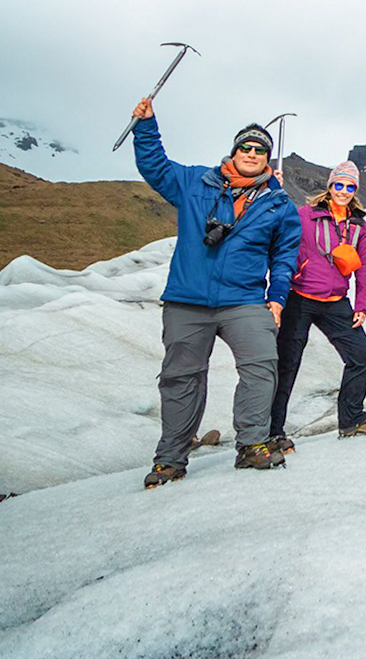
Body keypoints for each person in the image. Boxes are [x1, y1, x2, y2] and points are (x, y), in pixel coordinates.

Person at [129, 99, 302, 488]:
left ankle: (253, 444)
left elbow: (285, 255)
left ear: (268, 159)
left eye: (260, 150)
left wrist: (276, 299)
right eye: (247, 147)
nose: (252, 154)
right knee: (181, 377)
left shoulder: (278, 204)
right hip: (187, 301)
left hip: (244, 300)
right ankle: (170, 459)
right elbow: (155, 166)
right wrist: (145, 126)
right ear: (235, 150)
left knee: (261, 366)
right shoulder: (195, 183)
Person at [268, 161, 366, 451]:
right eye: (339, 185)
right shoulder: (305, 215)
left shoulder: (359, 225)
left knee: (362, 354)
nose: (343, 191)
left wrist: (362, 305)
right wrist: (274, 192)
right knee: (287, 364)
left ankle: (351, 419)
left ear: (355, 190)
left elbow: (365, 266)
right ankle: (273, 432)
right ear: (330, 187)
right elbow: (278, 231)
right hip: (300, 297)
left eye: (350, 186)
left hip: (336, 302)